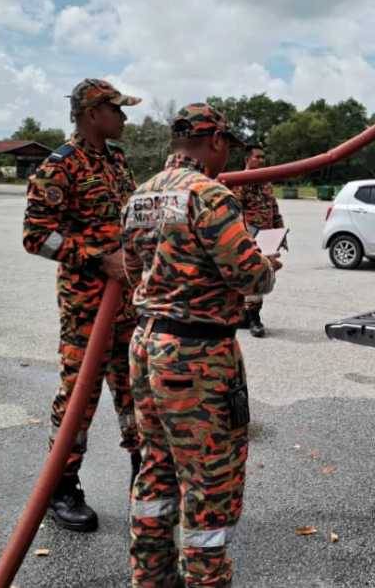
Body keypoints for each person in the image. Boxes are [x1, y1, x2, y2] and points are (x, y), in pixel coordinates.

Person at [122, 103, 280, 587]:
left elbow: (132, 271)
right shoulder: (209, 195)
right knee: (209, 481)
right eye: (226, 147)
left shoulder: (141, 195)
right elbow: (248, 273)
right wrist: (268, 263)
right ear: (215, 143)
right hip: (197, 356)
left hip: (146, 345)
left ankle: (150, 577)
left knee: (156, 467)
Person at [22, 78, 143, 532]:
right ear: (94, 114)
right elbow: (37, 237)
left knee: (136, 393)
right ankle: (62, 487)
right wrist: (98, 259)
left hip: (128, 305)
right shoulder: (60, 167)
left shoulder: (116, 160)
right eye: (118, 110)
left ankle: (144, 476)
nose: (125, 118)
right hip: (86, 308)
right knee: (78, 399)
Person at [231, 145, 284, 338]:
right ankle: (253, 318)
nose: (262, 160)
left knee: (265, 274)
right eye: (258, 157)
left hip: (268, 237)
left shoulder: (265, 182)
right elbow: (235, 213)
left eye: (263, 157)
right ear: (248, 159)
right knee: (254, 275)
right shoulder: (240, 182)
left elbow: (274, 208)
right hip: (250, 237)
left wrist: (280, 233)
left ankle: (248, 315)